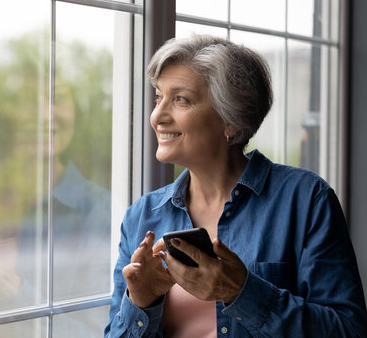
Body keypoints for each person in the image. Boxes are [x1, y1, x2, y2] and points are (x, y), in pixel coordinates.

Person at [105, 34, 367, 337]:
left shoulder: (306, 199)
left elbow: (350, 331)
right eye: (158, 97)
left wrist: (241, 292)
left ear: (231, 120)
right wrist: (140, 301)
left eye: (180, 99)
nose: (157, 116)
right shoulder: (142, 215)